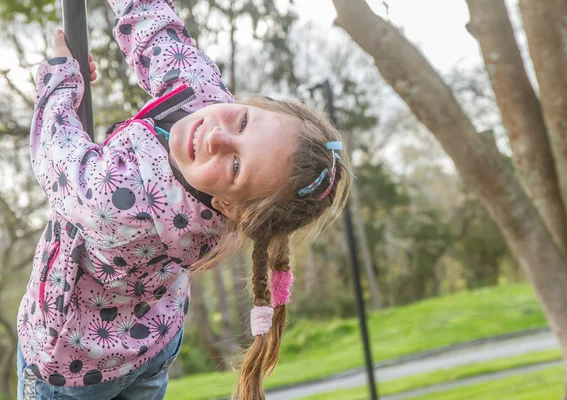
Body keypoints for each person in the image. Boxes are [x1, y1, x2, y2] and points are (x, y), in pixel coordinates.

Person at [16, 1, 352, 399]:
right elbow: (156, 30)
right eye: (244, 121)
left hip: (72, 361)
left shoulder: (126, 205)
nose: (217, 136)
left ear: (229, 208)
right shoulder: (207, 98)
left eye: (235, 166)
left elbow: (59, 157)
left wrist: (61, 81)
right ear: (253, 104)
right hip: (153, 344)